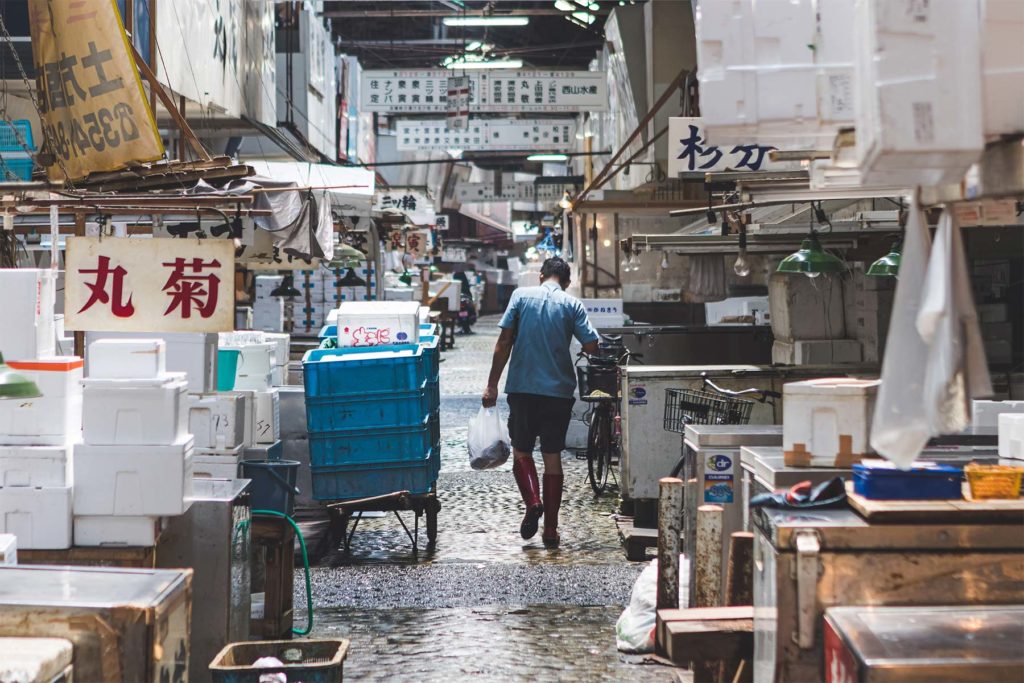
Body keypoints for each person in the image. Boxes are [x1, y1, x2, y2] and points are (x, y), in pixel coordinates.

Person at [482, 257, 600, 548]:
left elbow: (504, 342)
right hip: (558, 393)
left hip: (523, 388)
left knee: (522, 450)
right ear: (567, 282)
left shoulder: (521, 296)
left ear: (541, 275)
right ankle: (550, 530)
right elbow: (591, 345)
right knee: (552, 457)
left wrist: (492, 385)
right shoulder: (572, 305)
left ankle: (533, 501)